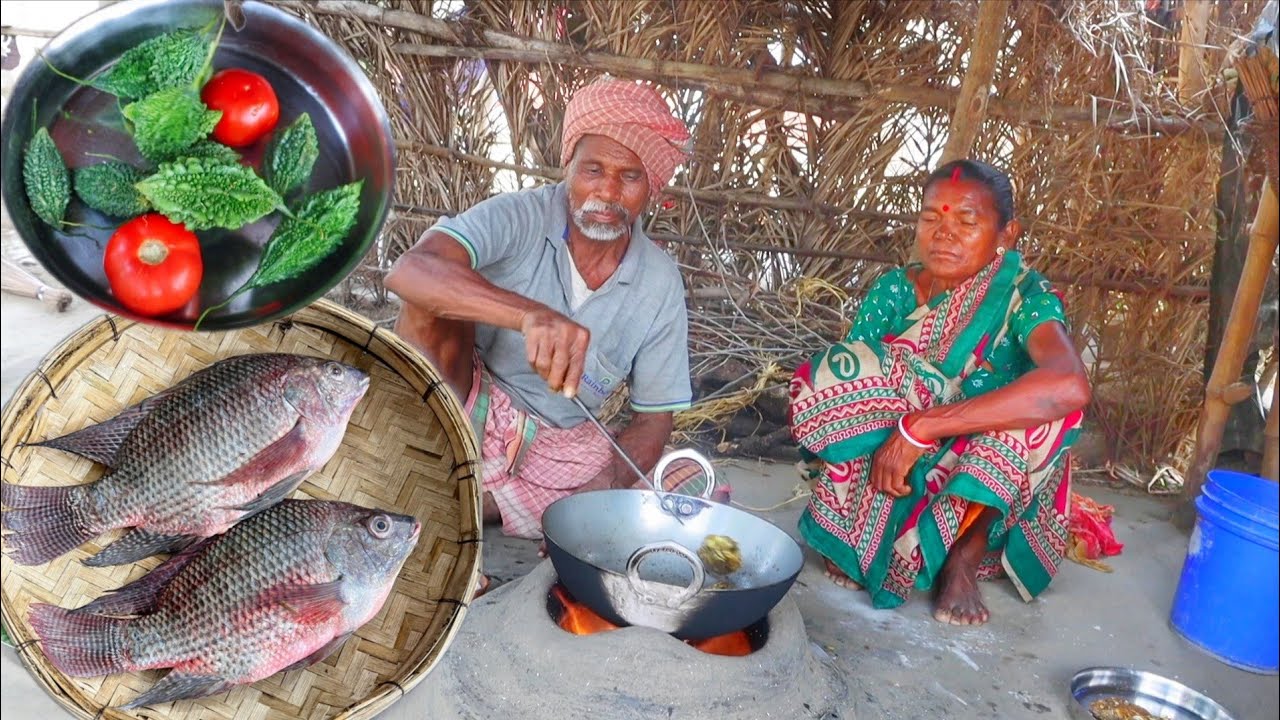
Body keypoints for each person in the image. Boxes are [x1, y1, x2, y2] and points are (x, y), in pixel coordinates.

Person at [386, 78, 716, 556]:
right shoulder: (523, 215)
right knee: (430, 303)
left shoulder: (659, 284)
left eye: (630, 177)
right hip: (465, 403)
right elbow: (410, 270)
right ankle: (449, 485)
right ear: (569, 169)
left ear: (652, 188)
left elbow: (652, 422)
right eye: (593, 169)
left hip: (559, 446)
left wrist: (605, 485)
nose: (606, 192)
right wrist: (529, 316)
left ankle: (461, 500)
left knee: (663, 487)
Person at [788, 159, 1091, 626]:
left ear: (1007, 235)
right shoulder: (895, 290)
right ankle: (850, 528)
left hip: (976, 464)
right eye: (932, 219)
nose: (943, 234)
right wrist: (908, 422)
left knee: (1052, 411)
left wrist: (925, 425)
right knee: (838, 374)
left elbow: (1069, 383)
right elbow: (853, 389)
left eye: (966, 222)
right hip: (896, 464)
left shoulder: (1026, 298)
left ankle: (963, 559)